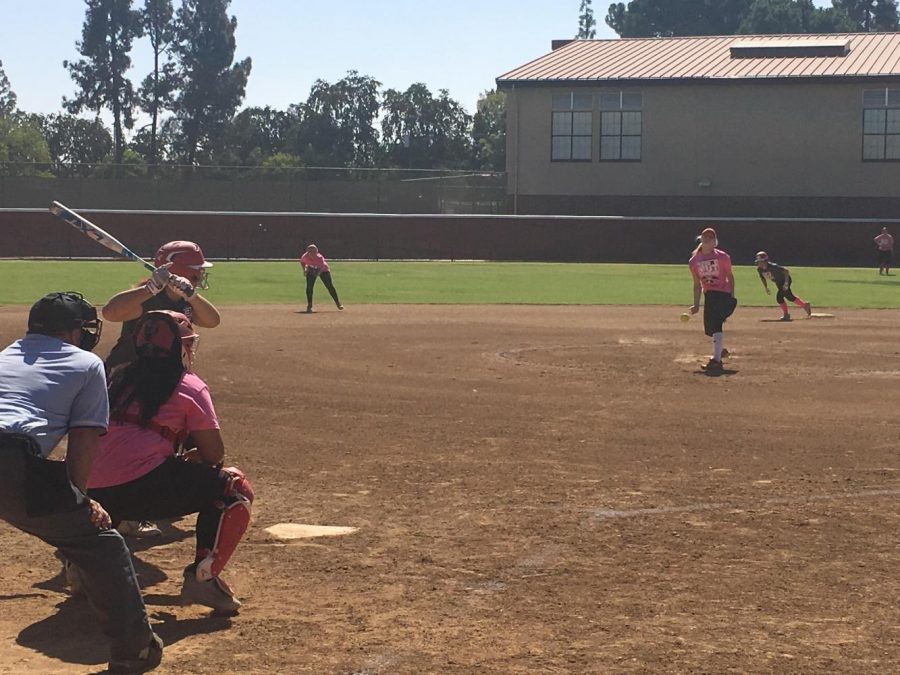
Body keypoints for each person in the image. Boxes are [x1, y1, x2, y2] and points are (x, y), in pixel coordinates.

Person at [0, 292, 163, 673]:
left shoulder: (5, 354)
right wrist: (79, 500)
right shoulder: (87, 363)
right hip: (9, 459)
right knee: (101, 545)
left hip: (11, 456)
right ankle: (134, 648)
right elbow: (85, 440)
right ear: (74, 331)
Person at [87, 310, 253, 615]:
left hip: (93, 496)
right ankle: (203, 578)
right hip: (144, 493)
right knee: (233, 486)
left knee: (116, 472)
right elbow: (215, 454)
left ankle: (83, 568)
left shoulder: (114, 376)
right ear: (181, 347)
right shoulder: (189, 384)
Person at [103, 240, 221, 538]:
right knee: (140, 438)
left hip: (165, 382)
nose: (198, 278)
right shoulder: (145, 297)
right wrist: (150, 289)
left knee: (185, 440)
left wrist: (190, 295)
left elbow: (212, 320)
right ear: (175, 268)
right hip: (127, 382)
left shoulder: (184, 299)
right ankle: (127, 508)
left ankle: (150, 492)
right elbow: (110, 312)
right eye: (195, 273)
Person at [688, 227, 738, 373]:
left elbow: (730, 276)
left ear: (714, 241)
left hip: (722, 293)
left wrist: (732, 296)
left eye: (710, 237)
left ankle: (716, 361)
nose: (707, 239)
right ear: (701, 239)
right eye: (705, 237)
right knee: (709, 329)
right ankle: (720, 350)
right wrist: (696, 304)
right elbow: (697, 285)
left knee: (715, 324)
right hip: (709, 295)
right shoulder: (694, 261)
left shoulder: (722, 257)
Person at [754, 251, 812, 321]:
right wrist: (766, 287)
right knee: (790, 297)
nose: (758, 263)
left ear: (765, 261)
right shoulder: (759, 269)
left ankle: (786, 315)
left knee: (779, 298)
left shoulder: (773, 266)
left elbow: (786, 271)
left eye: (760, 261)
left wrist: (786, 283)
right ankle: (805, 305)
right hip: (778, 282)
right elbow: (762, 278)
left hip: (785, 280)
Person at [299, 243, 343, 313]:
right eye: (310, 252)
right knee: (309, 287)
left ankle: (338, 303)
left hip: (323, 270)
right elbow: (302, 262)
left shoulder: (319, 258)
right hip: (311, 269)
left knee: (329, 286)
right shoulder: (305, 256)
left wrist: (316, 274)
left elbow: (320, 269)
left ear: (317, 252)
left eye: (314, 252)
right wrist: (304, 269)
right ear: (307, 252)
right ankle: (309, 306)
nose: (312, 253)